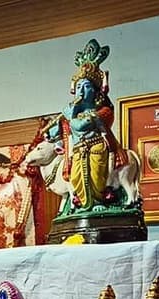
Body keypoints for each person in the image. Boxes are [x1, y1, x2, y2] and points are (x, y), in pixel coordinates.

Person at [46, 40, 127, 212]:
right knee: (76, 177)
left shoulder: (103, 110)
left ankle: (97, 202)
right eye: (79, 87)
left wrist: (70, 116)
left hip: (97, 147)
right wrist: (50, 131)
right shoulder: (73, 110)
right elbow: (55, 134)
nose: (82, 91)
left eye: (86, 87)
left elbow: (81, 125)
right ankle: (84, 204)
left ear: (96, 91)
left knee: (96, 176)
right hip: (78, 150)